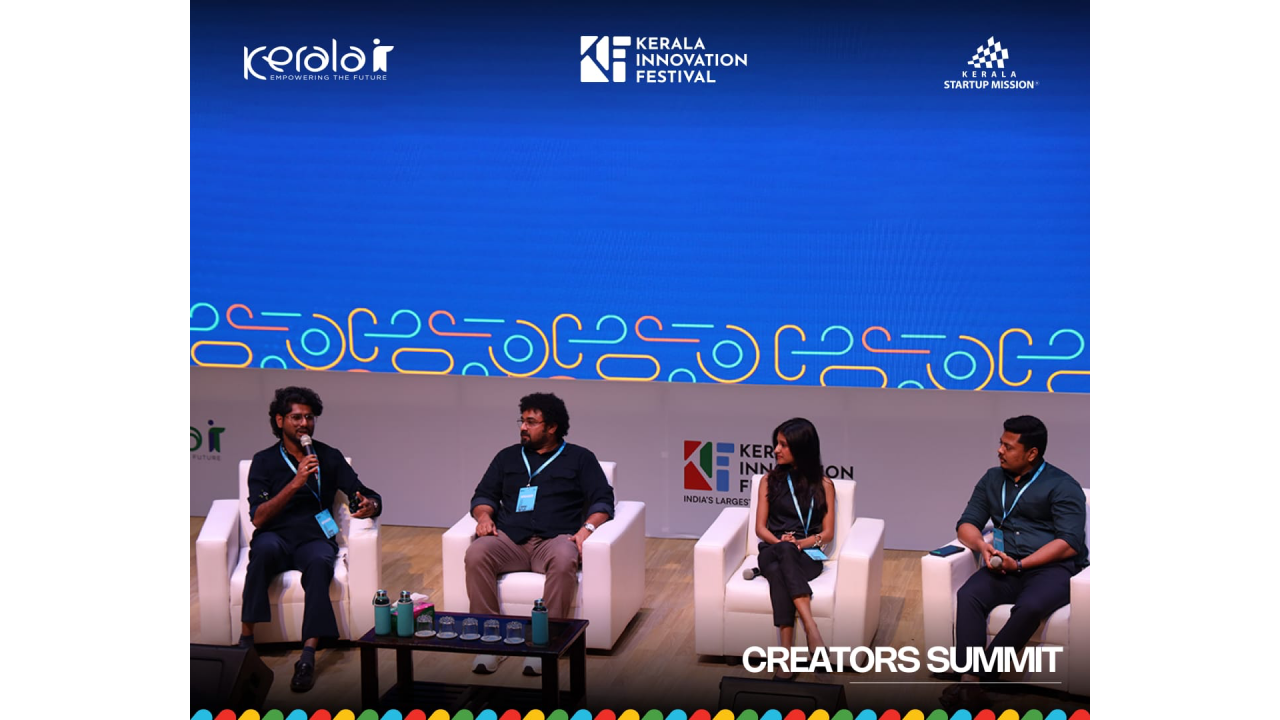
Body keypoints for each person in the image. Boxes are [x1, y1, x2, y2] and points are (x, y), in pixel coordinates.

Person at [239, 386, 383, 693]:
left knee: (320, 563)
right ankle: (246, 640)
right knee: (262, 552)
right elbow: (259, 518)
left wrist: (371, 504)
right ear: (280, 420)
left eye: (309, 417)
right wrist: (296, 482)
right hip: (275, 535)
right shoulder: (263, 461)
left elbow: (365, 492)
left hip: (314, 537)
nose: (304, 424)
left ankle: (307, 656)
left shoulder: (328, 456)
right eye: (296, 417)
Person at [943, 415, 1088, 708]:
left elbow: (1069, 542)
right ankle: (969, 682)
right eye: (1001, 443)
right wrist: (983, 547)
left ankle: (981, 677)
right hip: (1004, 565)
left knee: (1030, 607)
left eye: (1008, 447)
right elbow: (966, 524)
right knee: (969, 595)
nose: (1000, 450)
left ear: (1031, 453)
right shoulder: (992, 479)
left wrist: (1021, 565)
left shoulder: (1062, 485)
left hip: (1051, 570)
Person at [465, 392, 615, 676]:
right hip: (511, 539)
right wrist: (483, 518)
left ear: (552, 427)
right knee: (476, 552)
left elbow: (603, 501)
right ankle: (490, 640)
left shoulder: (580, 458)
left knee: (565, 557)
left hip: (556, 538)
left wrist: (587, 529)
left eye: (531, 422)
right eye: (522, 421)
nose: (523, 427)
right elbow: (483, 496)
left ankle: (544, 643)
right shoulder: (507, 457)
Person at [750, 417, 836, 681]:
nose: (776, 450)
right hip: (772, 548)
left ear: (801, 448)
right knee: (783, 555)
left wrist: (800, 543)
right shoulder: (768, 481)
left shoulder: (824, 485)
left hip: (808, 554)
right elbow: (760, 528)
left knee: (779, 572)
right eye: (776, 443)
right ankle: (812, 630)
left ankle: (786, 657)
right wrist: (782, 543)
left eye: (783, 445)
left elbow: (827, 534)